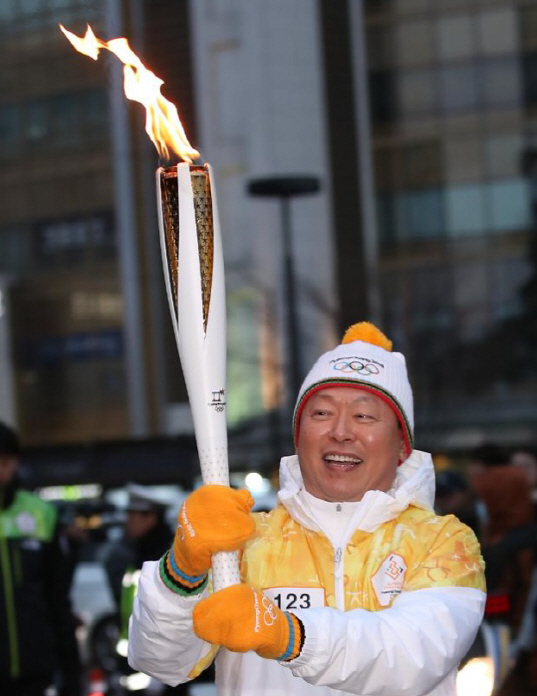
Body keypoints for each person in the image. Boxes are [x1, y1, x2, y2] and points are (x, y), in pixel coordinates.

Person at [128, 322, 486, 696]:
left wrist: (288, 634)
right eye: (321, 414)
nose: (341, 432)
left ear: (402, 446)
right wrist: (182, 571)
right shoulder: (244, 542)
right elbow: (161, 662)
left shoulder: (444, 543)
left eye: (364, 416)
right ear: (298, 437)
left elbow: (416, 656)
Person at [0, 421, 81, 696]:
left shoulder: (40, 514)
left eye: (6, 460)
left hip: (35, 668)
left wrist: (71, 669)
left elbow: (58, 596)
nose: (1, 468)